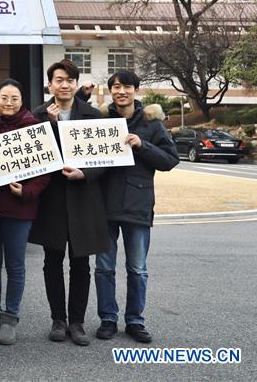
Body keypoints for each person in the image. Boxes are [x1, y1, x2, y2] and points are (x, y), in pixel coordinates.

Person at [28, 59, 110, 346]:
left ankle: (77, 322)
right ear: (50, 84)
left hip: (82, 197)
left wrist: (84, 173)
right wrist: (48, 125)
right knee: (52, 261)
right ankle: (58, 320)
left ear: (76, 84)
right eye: (59, 80)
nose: (64, 85)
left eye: (70, 80)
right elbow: (33, 157)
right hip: (51, 198)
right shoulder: (37, 115)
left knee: (81, 263)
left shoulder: (93, 114)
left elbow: (106, 160)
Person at [94, 70, 179, 344]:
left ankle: (135, 321)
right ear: (110, 92)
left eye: (127, 87)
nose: (121, 91)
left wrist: (142, 145)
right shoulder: (101, 120)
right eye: (116, 87)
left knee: (137, 269)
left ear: (136, 90)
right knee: (104, 267)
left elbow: (170, 160)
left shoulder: (152, 123)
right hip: (104, 204)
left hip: (138, 205)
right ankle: (108, 318)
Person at [0, 79, 50, 346]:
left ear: (22, 101)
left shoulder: (33, 128)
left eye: (14, 98)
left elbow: (45, 173)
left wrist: (26, 192)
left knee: (16, 266)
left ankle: (10, 318)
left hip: (19, 209)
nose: (8, 103)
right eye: (4, 97)